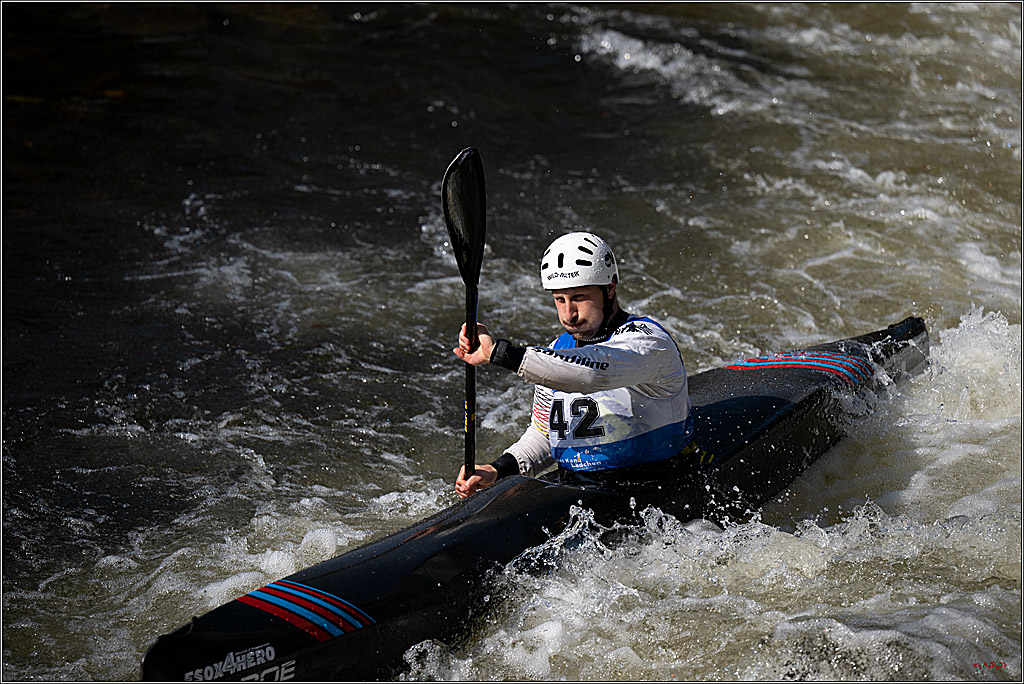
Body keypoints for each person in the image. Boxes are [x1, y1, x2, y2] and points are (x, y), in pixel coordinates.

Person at [453, 231, 693, 499]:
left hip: (651, 490)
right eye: (560, 299)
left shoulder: (648, 342)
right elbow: (546, 435)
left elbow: (591, 373)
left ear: (610, 288)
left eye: (579, 297)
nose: (569, 314)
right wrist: (498, 469)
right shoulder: (557, 350)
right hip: (578, 488)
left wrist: (499, 353)